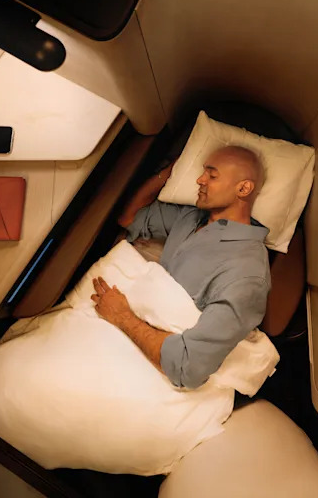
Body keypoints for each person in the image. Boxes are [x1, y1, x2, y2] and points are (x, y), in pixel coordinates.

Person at [90, 145, 271, 389]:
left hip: (161, 366)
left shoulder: (246, 271)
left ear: (243, 189)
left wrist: (122, 317)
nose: (199, 180)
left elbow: (189, 367)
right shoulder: (190, 217)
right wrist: (169, 171)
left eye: (212, 175)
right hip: (126, 331)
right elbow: (129, 218)